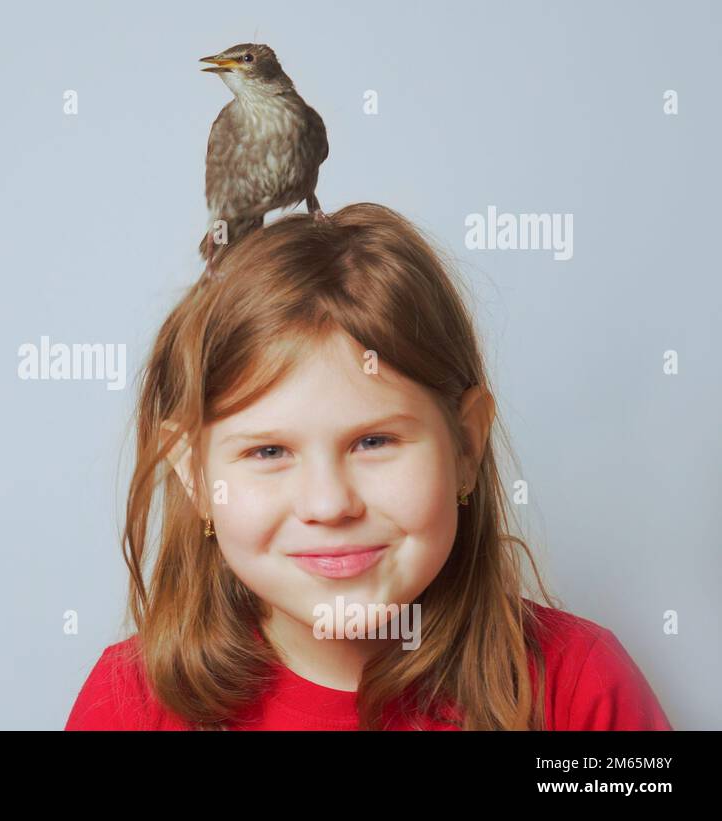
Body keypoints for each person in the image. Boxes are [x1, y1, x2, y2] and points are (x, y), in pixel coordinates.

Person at [65, 204, 673, 730]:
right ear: (196, 477)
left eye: (374, 442)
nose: (329, 504)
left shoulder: (578, 689)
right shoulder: (130, 708)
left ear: (465, 446)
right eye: (269, 452)